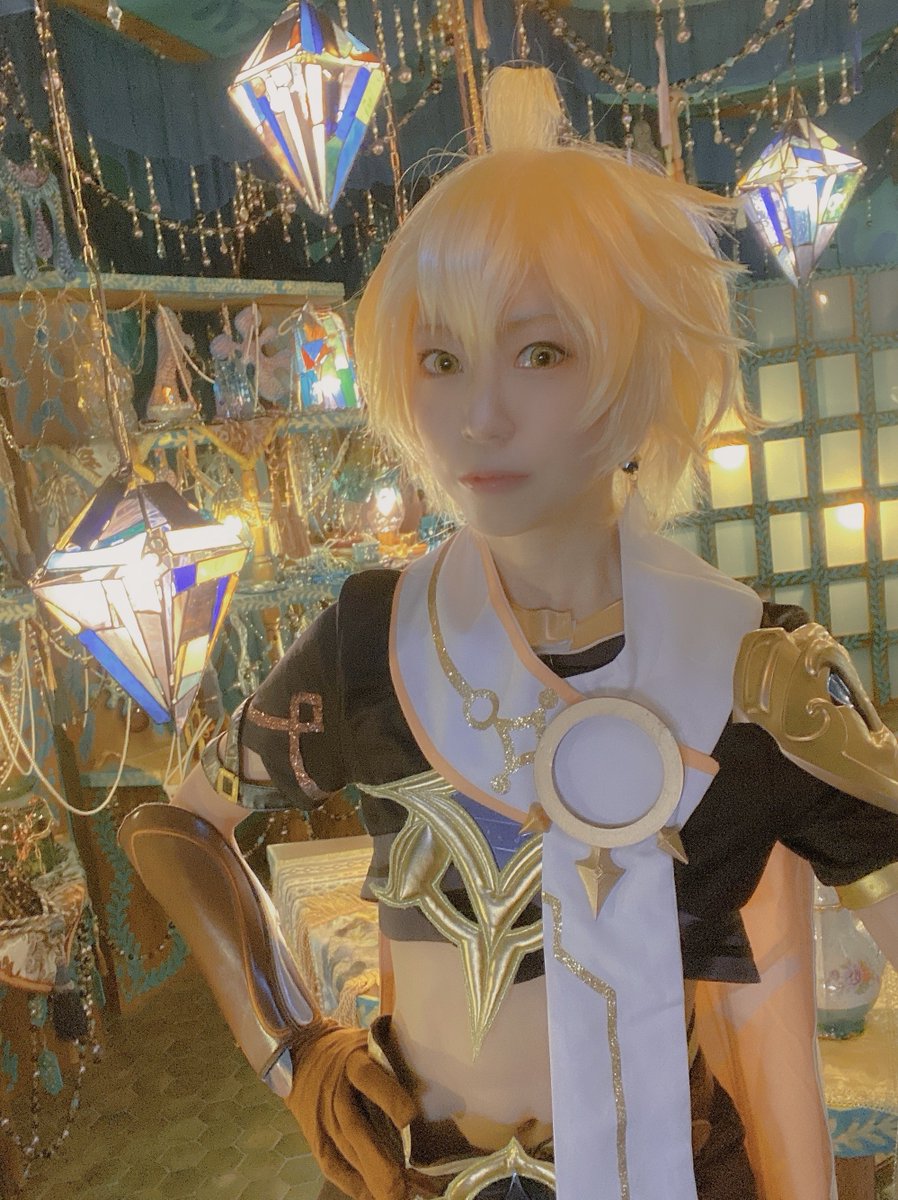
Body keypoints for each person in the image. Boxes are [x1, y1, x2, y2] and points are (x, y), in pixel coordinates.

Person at [121, 65, 898, 1200]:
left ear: (642, 376)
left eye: (541, 352)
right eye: (441, 360)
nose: (477, 416)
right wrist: (291, 1050)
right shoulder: (372, 637)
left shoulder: (759, 675)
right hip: (416, 1178)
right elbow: (181, 825)